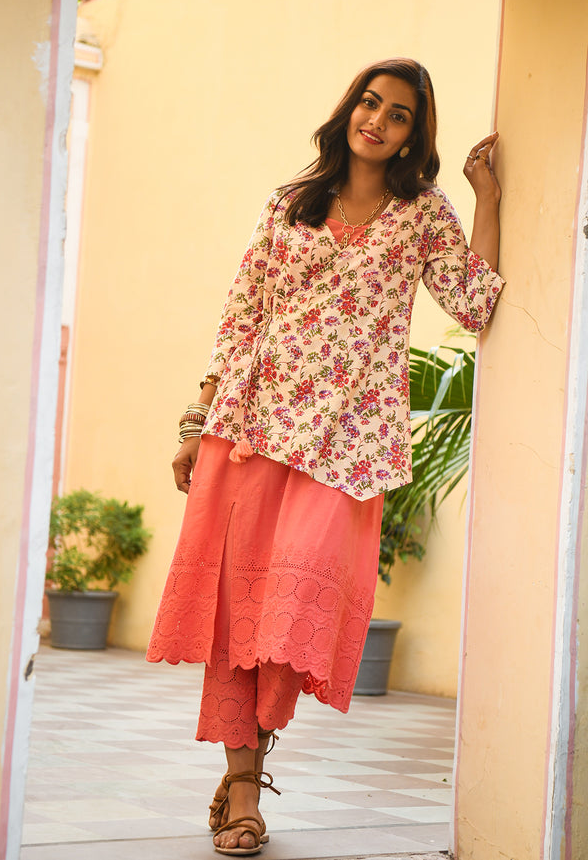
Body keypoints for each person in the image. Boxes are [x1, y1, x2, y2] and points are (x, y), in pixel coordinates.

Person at [146, 57, 504, 856]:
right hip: (252, 429)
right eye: (370, 103)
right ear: (349, 110)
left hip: (348, 449)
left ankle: (249, 765)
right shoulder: (291, 203)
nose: (378, 120)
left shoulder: (422, 213)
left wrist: (487, 199)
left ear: (414, 135)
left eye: (399, 114)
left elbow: (474, 299)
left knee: (289, 619)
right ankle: (244, 789)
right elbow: (241, 314)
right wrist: (196, 420)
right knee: (240, 614)